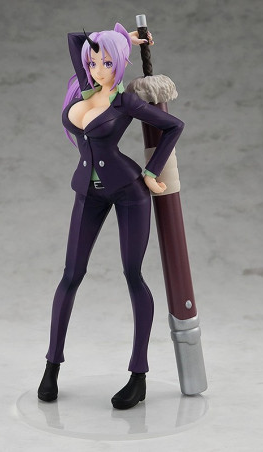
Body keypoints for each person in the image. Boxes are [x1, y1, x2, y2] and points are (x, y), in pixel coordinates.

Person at [38, 22, 184, 409]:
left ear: (119, 65)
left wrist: (151, 172)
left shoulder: (126, 103)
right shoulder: (86, 91)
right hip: (88, 192)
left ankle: (138, 375)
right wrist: (124, 39)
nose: (98, 69)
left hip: (128, 191)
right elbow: (75, 38)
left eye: (107, 62)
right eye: (93, 62)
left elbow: (174, 126)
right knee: (71, 274)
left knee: (133, 274)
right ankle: (51, 366)